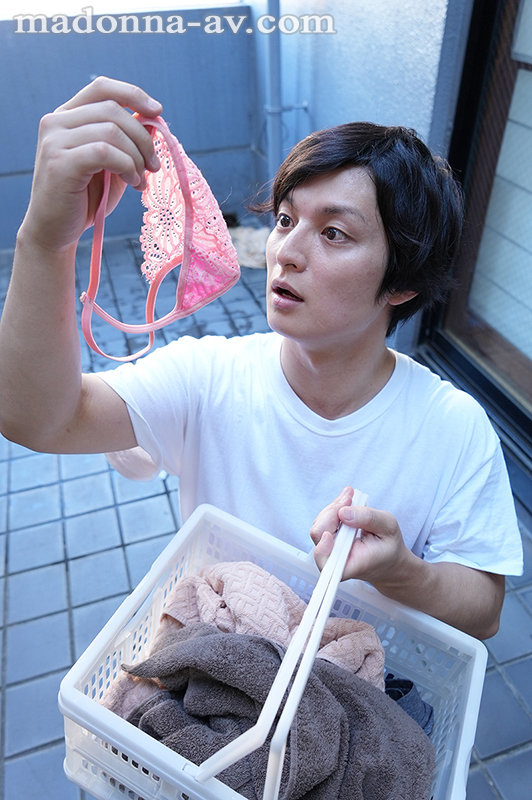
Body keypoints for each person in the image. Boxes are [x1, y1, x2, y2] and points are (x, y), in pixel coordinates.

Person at [0, 77, 522, 640]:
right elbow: (42, 419)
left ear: (402, 283)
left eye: (334, 233)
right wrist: (46, 240)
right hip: (212, 662)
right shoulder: (209, 378)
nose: (286, 252)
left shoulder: (453, 428)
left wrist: (402, 572)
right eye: (285, 220)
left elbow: (485, 611)